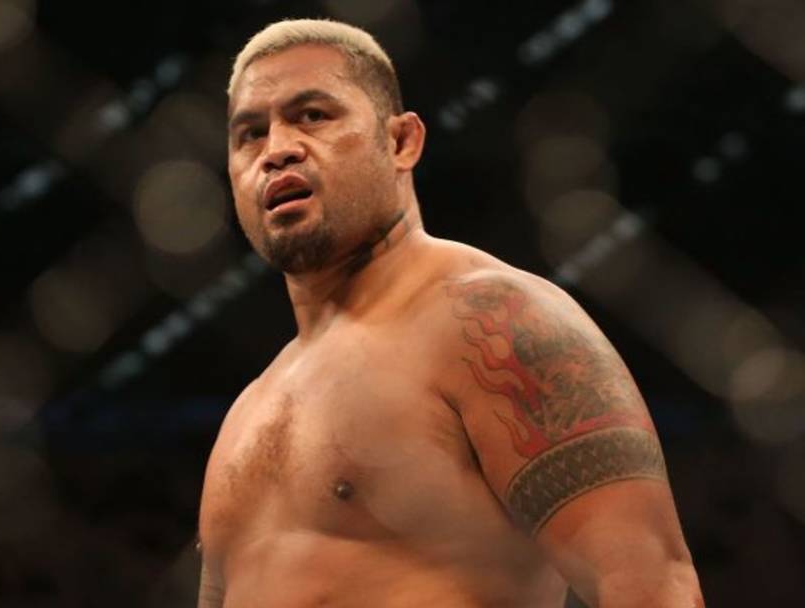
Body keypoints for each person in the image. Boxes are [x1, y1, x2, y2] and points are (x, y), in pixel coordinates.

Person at [197, 18, 704, 608]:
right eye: (249, 134)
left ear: (400, 142)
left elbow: (651, 585)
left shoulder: (493, 320)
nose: (277, 149)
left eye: (312, 115)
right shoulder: (246, 414)